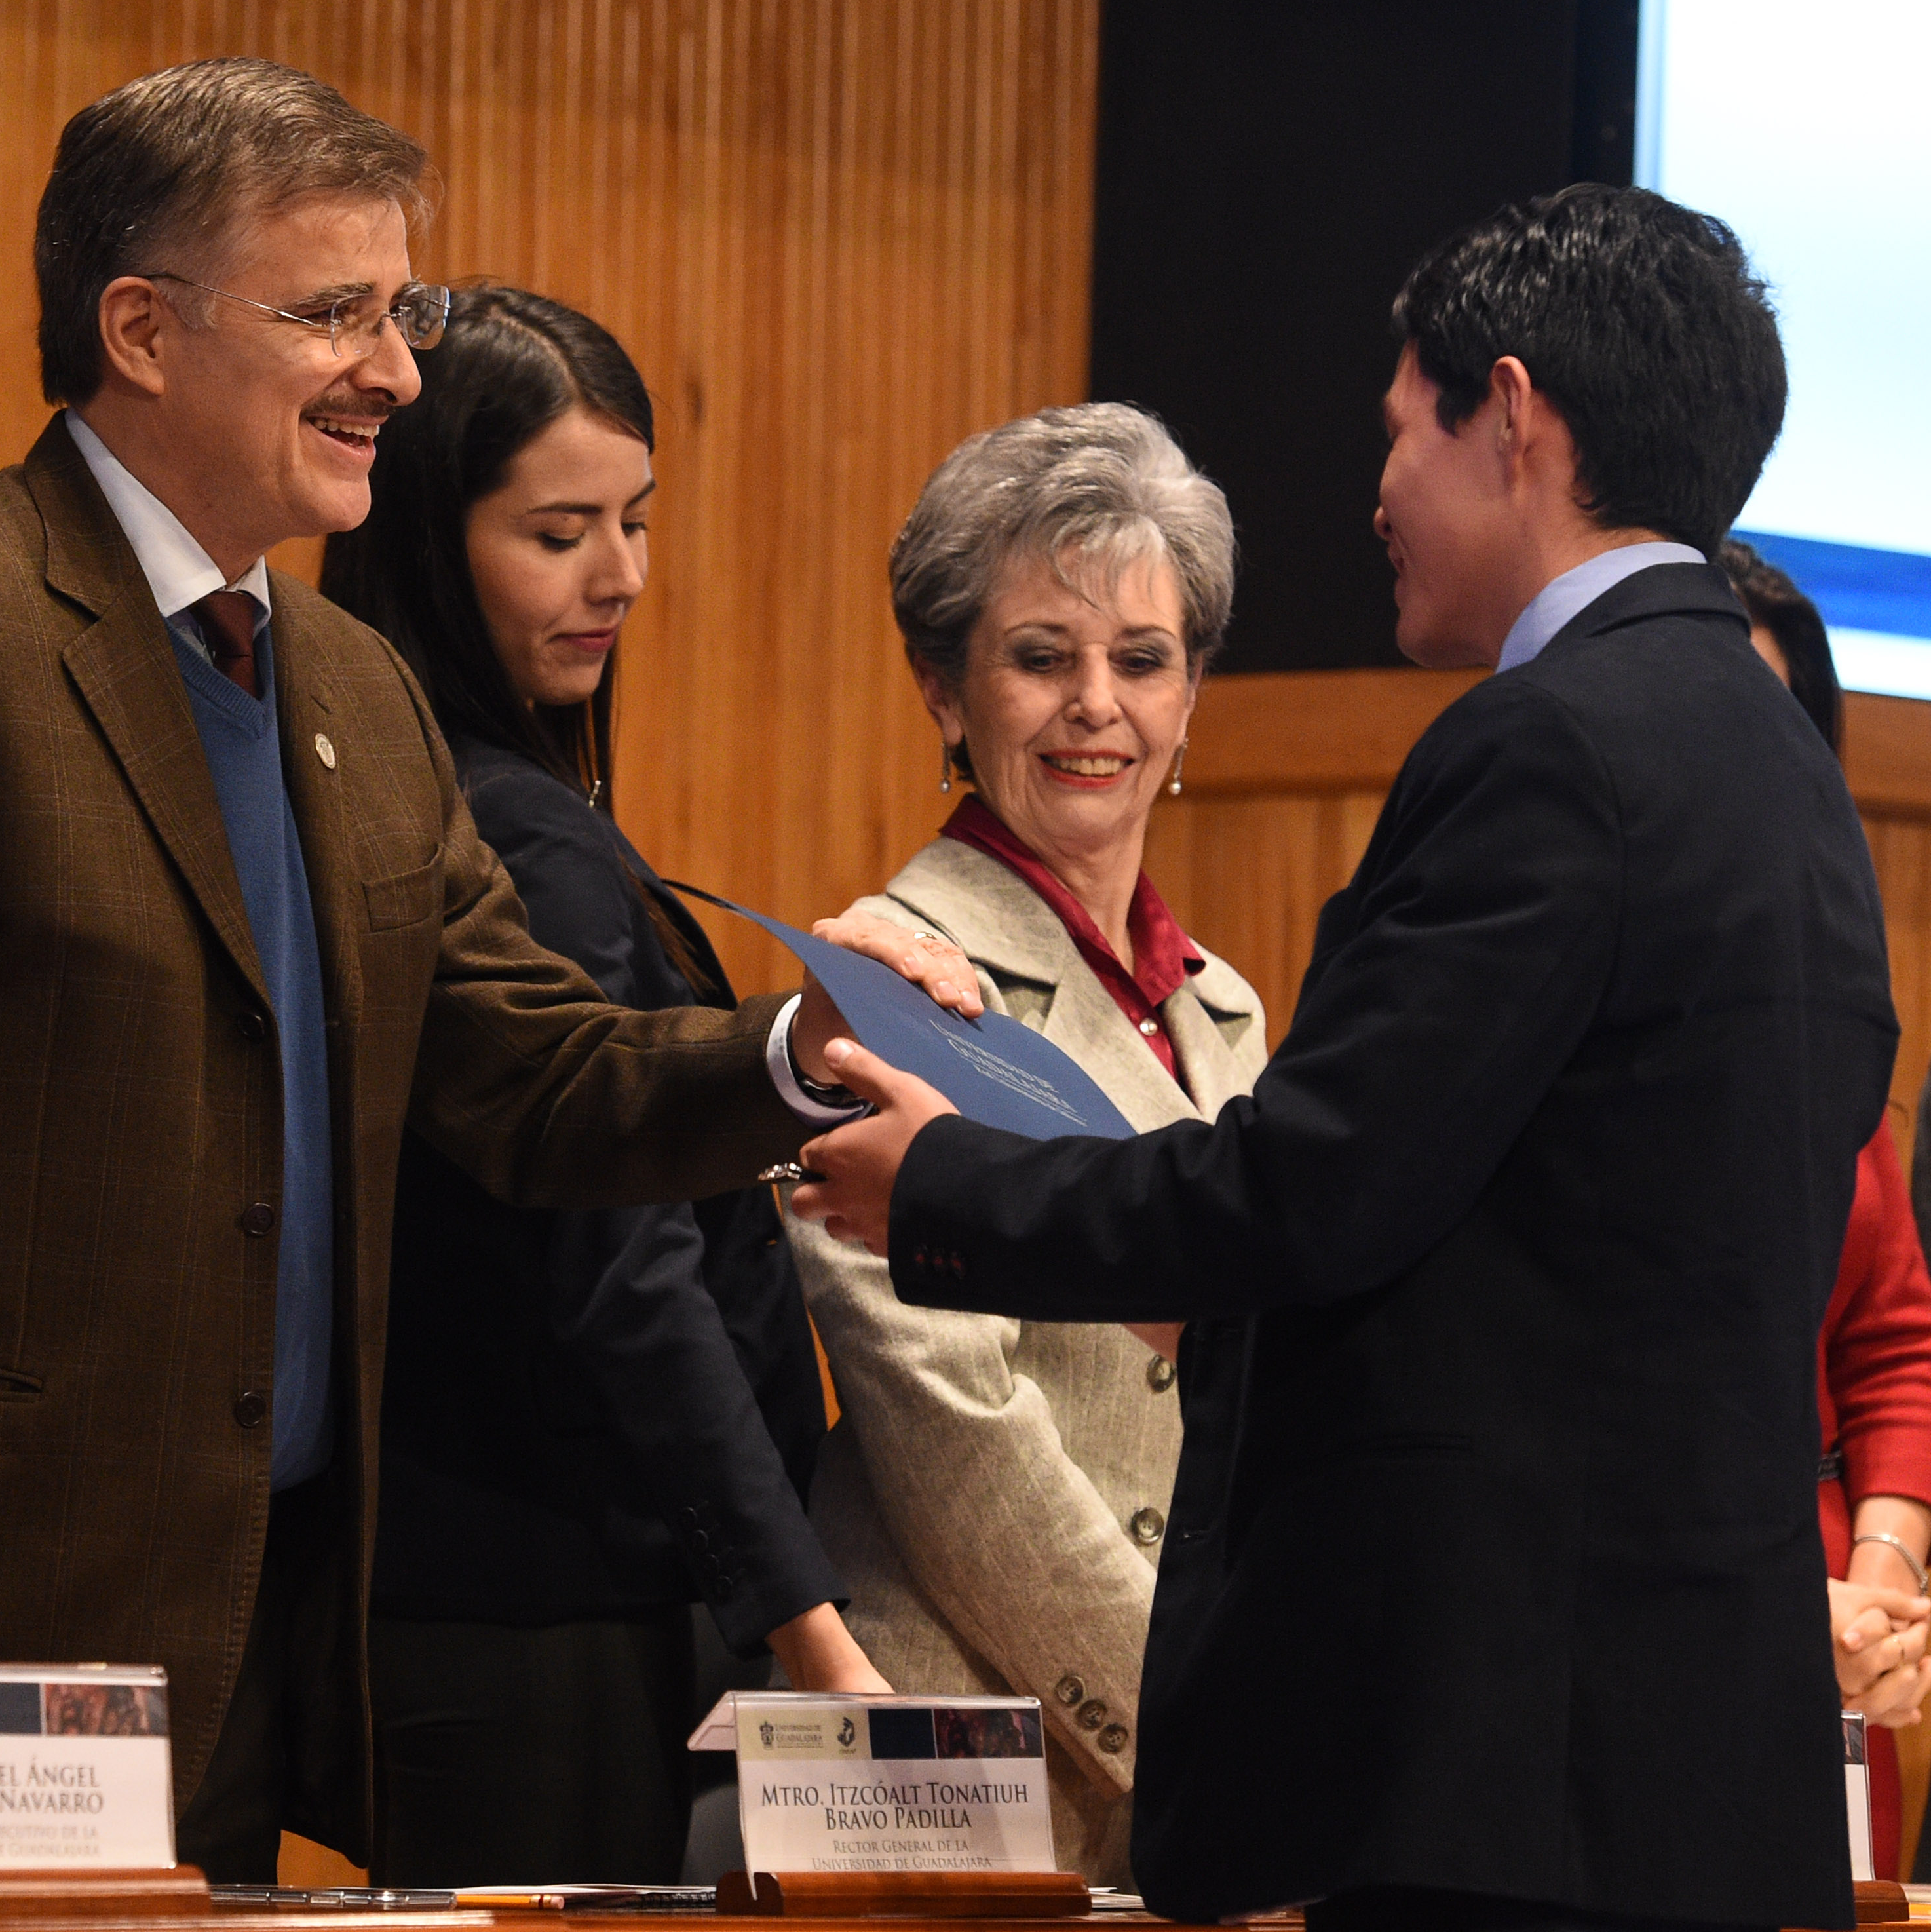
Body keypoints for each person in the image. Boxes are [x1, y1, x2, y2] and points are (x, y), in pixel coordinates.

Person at [0, 57, 978, 1882]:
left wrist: (803, 1041)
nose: (394, 370)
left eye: (394, 313)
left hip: (250, 1646)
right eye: (333, 313)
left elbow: (536, 1080)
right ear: (142, 330)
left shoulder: (347, 686)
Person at [789, 184, 1896, 1932]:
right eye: (1044, 656)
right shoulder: (1785, 773)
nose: (1376, 498)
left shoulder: (1547, 748)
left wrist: (939, 1178)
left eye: (1400, 432)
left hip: (1502, 1781)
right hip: (1691, 1778)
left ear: (1512, 416)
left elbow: (1317, 1188)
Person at [315, 286, 876, 1884]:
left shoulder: (486, 796)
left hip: (523, 1587)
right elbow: (623, 1267)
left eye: (633, 521)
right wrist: (810, 1625)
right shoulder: (510, 832)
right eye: (559, 531)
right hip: (537, 1597)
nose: (619, 575)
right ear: (430, 534)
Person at [782, 403, 1267, 1887]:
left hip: (1201, 1755)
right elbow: (949, 1413)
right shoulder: (880, 974)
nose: (1094, 707)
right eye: (1040, 657)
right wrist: (1191, 1706)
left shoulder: (1228, 1010)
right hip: (964, 1745)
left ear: (1190, 694)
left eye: (1141, 659)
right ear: (942, 686)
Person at [1719, 537, 1931, 1876]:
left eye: (1770, 728)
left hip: (1849, 1640)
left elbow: (1892, 1334)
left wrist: (1886, 1573)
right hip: (1653, 1623)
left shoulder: (1830, 1011)